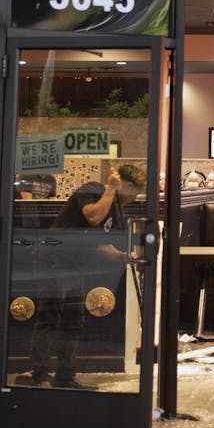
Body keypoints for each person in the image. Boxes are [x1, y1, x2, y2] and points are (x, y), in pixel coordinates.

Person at [20, 164, 145, 389]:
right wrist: (110, 189)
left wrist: (120, 256)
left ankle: (65, 377)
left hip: (76, 265)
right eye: (135, 192)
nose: (136, 198)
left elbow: (100, 245)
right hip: (55, 257)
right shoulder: (94, 189)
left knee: (73, 320)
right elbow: (92, 216)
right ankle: (39, 374)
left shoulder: (117, 210)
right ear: (126, 186)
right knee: (50, 315)